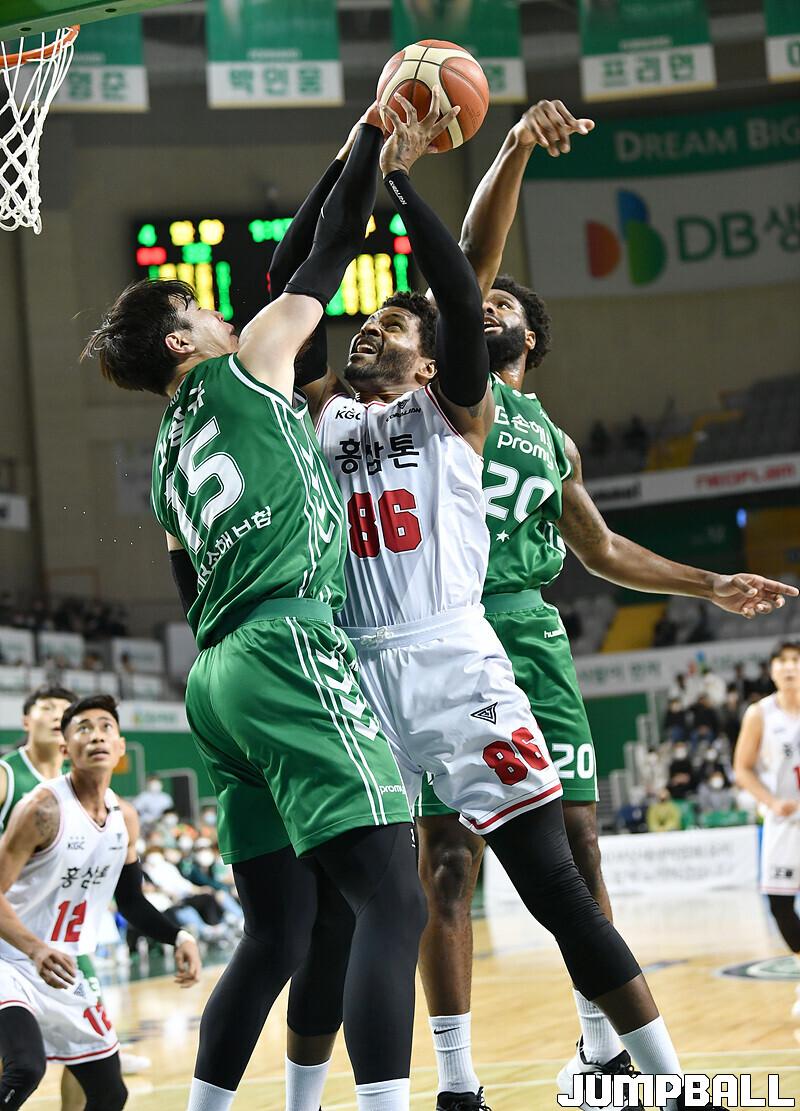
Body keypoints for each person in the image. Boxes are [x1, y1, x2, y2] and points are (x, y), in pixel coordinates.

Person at [270, 93, 735, 1111]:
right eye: (366, 324)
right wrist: (356, 156)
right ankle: (437, 1089)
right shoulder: (319, 412)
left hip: (453, 661)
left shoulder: (457, 411)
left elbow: (454, 280)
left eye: (394, 325)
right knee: (362, 908)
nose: (370, 330)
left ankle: (665, 1081)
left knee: (554, 878)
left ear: (435, 357)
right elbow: (293, 275)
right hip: (355, 675)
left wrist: (402, 182)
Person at [377, 97, 794, 1107]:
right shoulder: (447, 396)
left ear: (531, 335)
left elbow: (601, 549)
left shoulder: (551, 438)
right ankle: (457, 1078)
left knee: (578, 844)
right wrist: (514, 146)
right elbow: (468, 256)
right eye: (476, 301)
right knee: (446, 864)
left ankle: (602, 1046)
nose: (484, 305)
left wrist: (709, 581)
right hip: (439, 630)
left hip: (527, 633)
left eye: (502, 305)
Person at [82, 107, 427, 1111]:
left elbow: (189, 588)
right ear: (181, 337)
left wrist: (350, 153)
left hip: (217, 678)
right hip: (285, 644)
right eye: (200, 307)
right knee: (391, 900)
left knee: (278, 933)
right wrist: (372, 144)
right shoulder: (252, 361)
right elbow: (332, 246)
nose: (225, 313)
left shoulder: (163, 461)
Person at [0, 694, 201, 1110]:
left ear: (121, 746)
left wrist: (179, 936)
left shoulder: (125, 817)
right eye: (84, 729)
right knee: (25, 1068)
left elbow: (131, 901)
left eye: (106, 727)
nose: (96, 736)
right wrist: (35, 948)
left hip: (63, 963)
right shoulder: (41, 808)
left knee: (111, 1092)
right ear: (65, 747)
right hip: (10, 956)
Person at [734, 640, 800, 1016]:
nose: (789, 667)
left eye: (796, 660)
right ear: (772, 670)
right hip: (783, 820)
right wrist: (772, 802)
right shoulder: (760, 713)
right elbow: (742, 768)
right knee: (779, 904)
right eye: (782, 661)